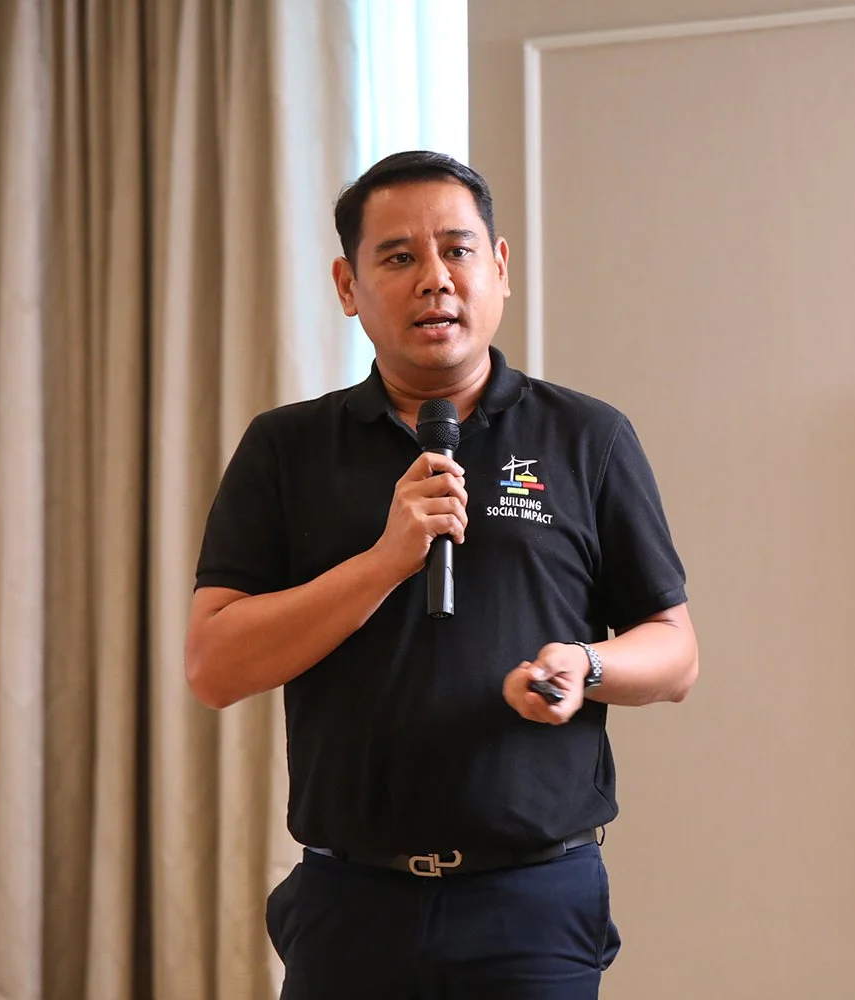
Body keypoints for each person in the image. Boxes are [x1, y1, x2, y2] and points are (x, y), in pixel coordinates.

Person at [184, 149, 698, 999]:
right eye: (398, 257)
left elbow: (675, 653)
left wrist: (589, 665)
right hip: (351, 901)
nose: (434, 279)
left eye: (457, 250)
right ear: (348, 287)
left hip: (533, 901)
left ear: (498, 269)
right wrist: (385, 562)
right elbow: (214, 666)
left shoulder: (588, 438)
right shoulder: (286, 449)